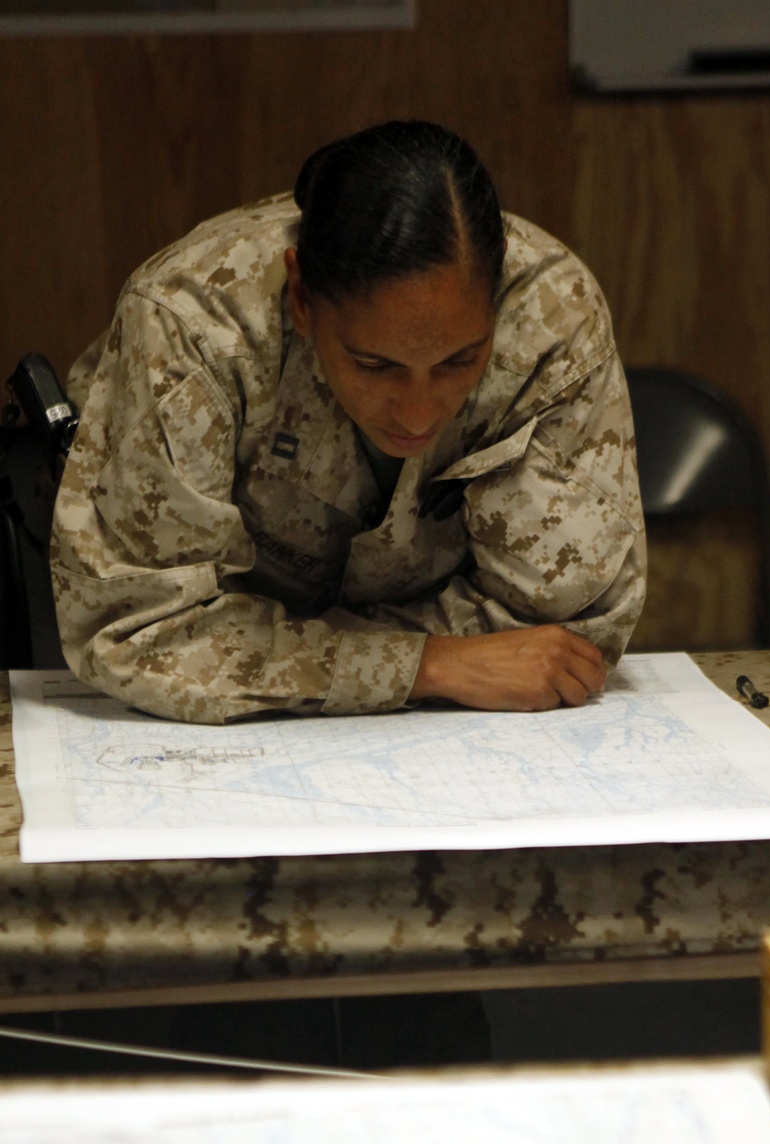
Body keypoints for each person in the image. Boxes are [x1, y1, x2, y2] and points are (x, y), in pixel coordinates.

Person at [51, 120, 645, 725]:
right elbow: (136, 630)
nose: (417, 413)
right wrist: (430, 665)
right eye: (374, 364)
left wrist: (260, 655)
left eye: (459, 362)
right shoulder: (192, 325)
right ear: (303, 300)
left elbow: (567, 627)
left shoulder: (552, 319)